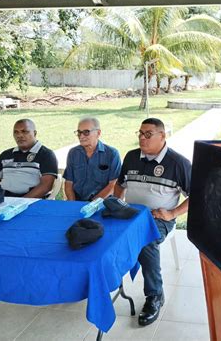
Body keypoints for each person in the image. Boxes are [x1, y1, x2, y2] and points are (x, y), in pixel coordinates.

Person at [114, 117, 191, 326]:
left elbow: (199, 196)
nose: (142, 138)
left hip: (157, 218)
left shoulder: (178, 163)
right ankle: (103, 283)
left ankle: (154, 294)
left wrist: (172, 213)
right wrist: (116, 202)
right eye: (140, 133)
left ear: (162, 136)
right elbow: (120, 185)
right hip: (129, 214)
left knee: (146, 241)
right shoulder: (131, 157)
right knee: (101, 232)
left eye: (148, 134)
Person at [0, 119, 58, 198]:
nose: (19, 135)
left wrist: (20, 202)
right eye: (16, 132)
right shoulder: (6, 155)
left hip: (31, 201)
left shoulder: (46, 154)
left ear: (35, 133)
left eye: (25, 131)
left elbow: (45, 186)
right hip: (3, 200)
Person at [64, 117, 121, 201]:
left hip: (102, 204)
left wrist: (92, 205)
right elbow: (69, 183)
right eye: (79, 133)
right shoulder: (73, 153)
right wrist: (73, 204)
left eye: (86, 132)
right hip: (77, 202)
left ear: (98, 133)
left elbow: (113, 185)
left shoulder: (112, 154)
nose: (81, 136)